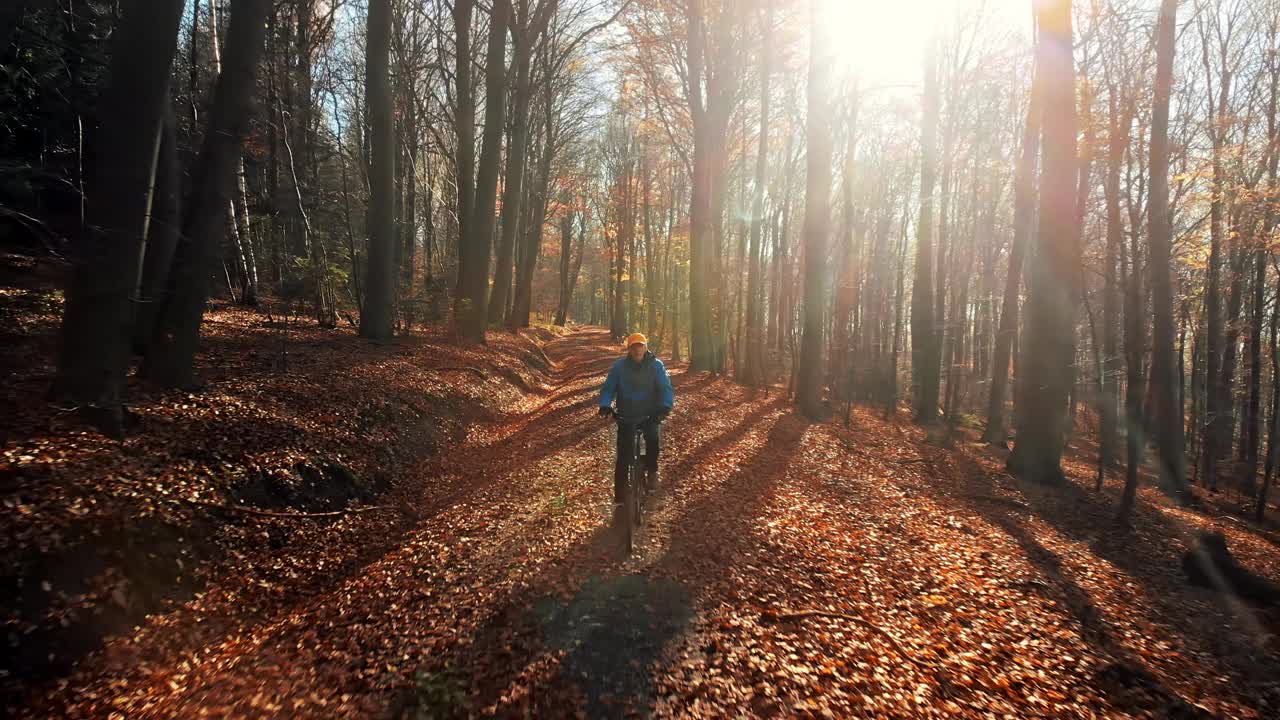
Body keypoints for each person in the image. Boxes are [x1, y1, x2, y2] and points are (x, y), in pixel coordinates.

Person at [598, 333, 674, 523]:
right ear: (629, 349)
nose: (637, 349)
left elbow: (666, 387)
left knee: (652, 438)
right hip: (626, 415)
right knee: (623, 456)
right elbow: (608, 388)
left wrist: (665, 406)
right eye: (634, 346)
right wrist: (605, 404)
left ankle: (652, 470)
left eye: (640, 346)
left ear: (646, 347)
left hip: (650, 414)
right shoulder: (619, 367)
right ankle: (620, 497)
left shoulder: (656, 366)